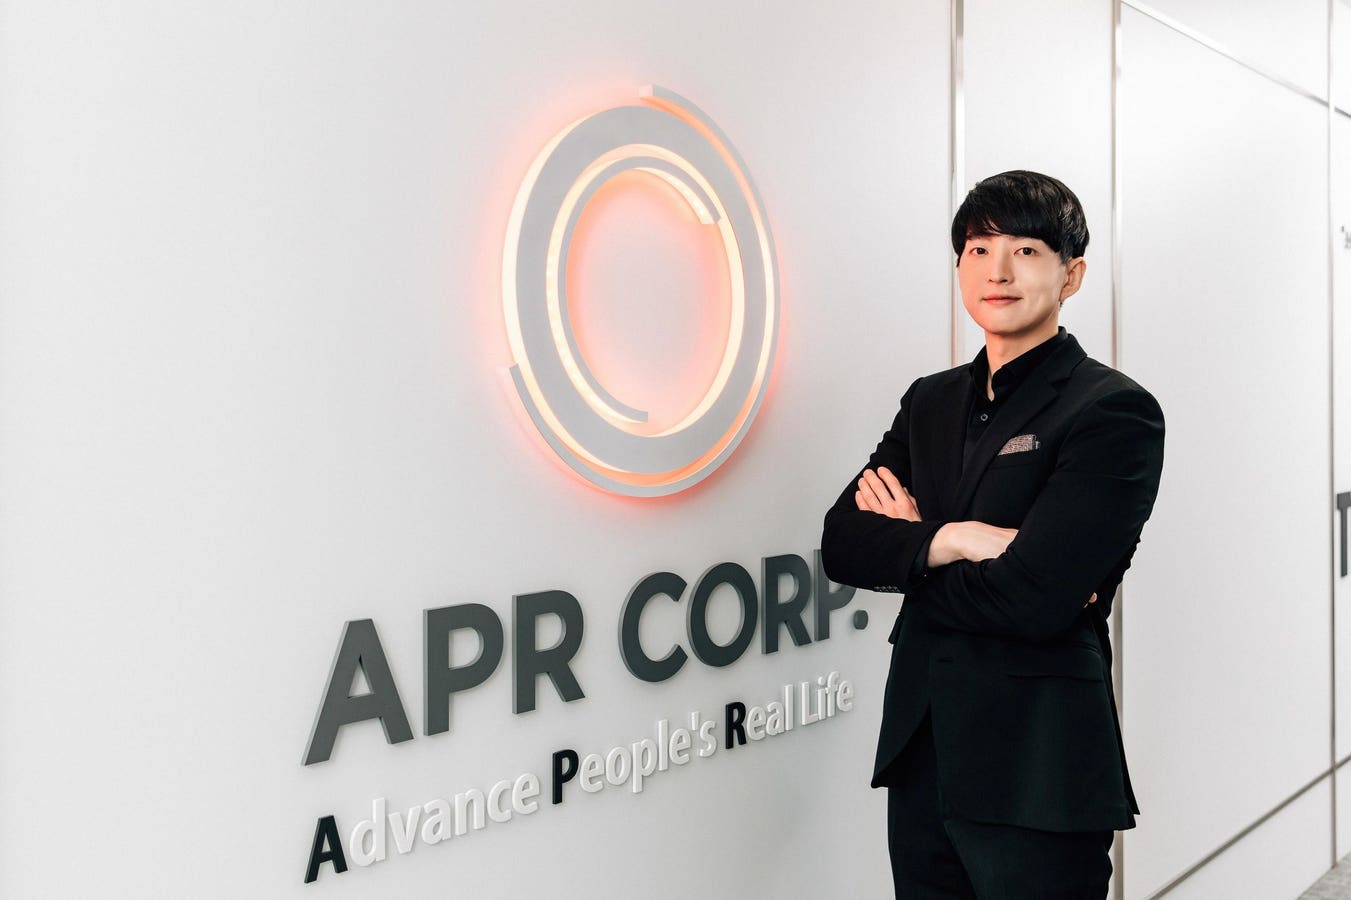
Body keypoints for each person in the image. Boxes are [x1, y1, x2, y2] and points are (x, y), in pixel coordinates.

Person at [820, 170, 1165, 899]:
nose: (997, 271)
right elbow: (843, 543)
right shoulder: (930, 401)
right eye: (978, 250)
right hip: (923, 749)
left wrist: (912, 546)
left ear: (1071, 275)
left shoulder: (1112, 411)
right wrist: (956, 538)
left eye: (1025, 250)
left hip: (1037, 762)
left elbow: (1035, 598)